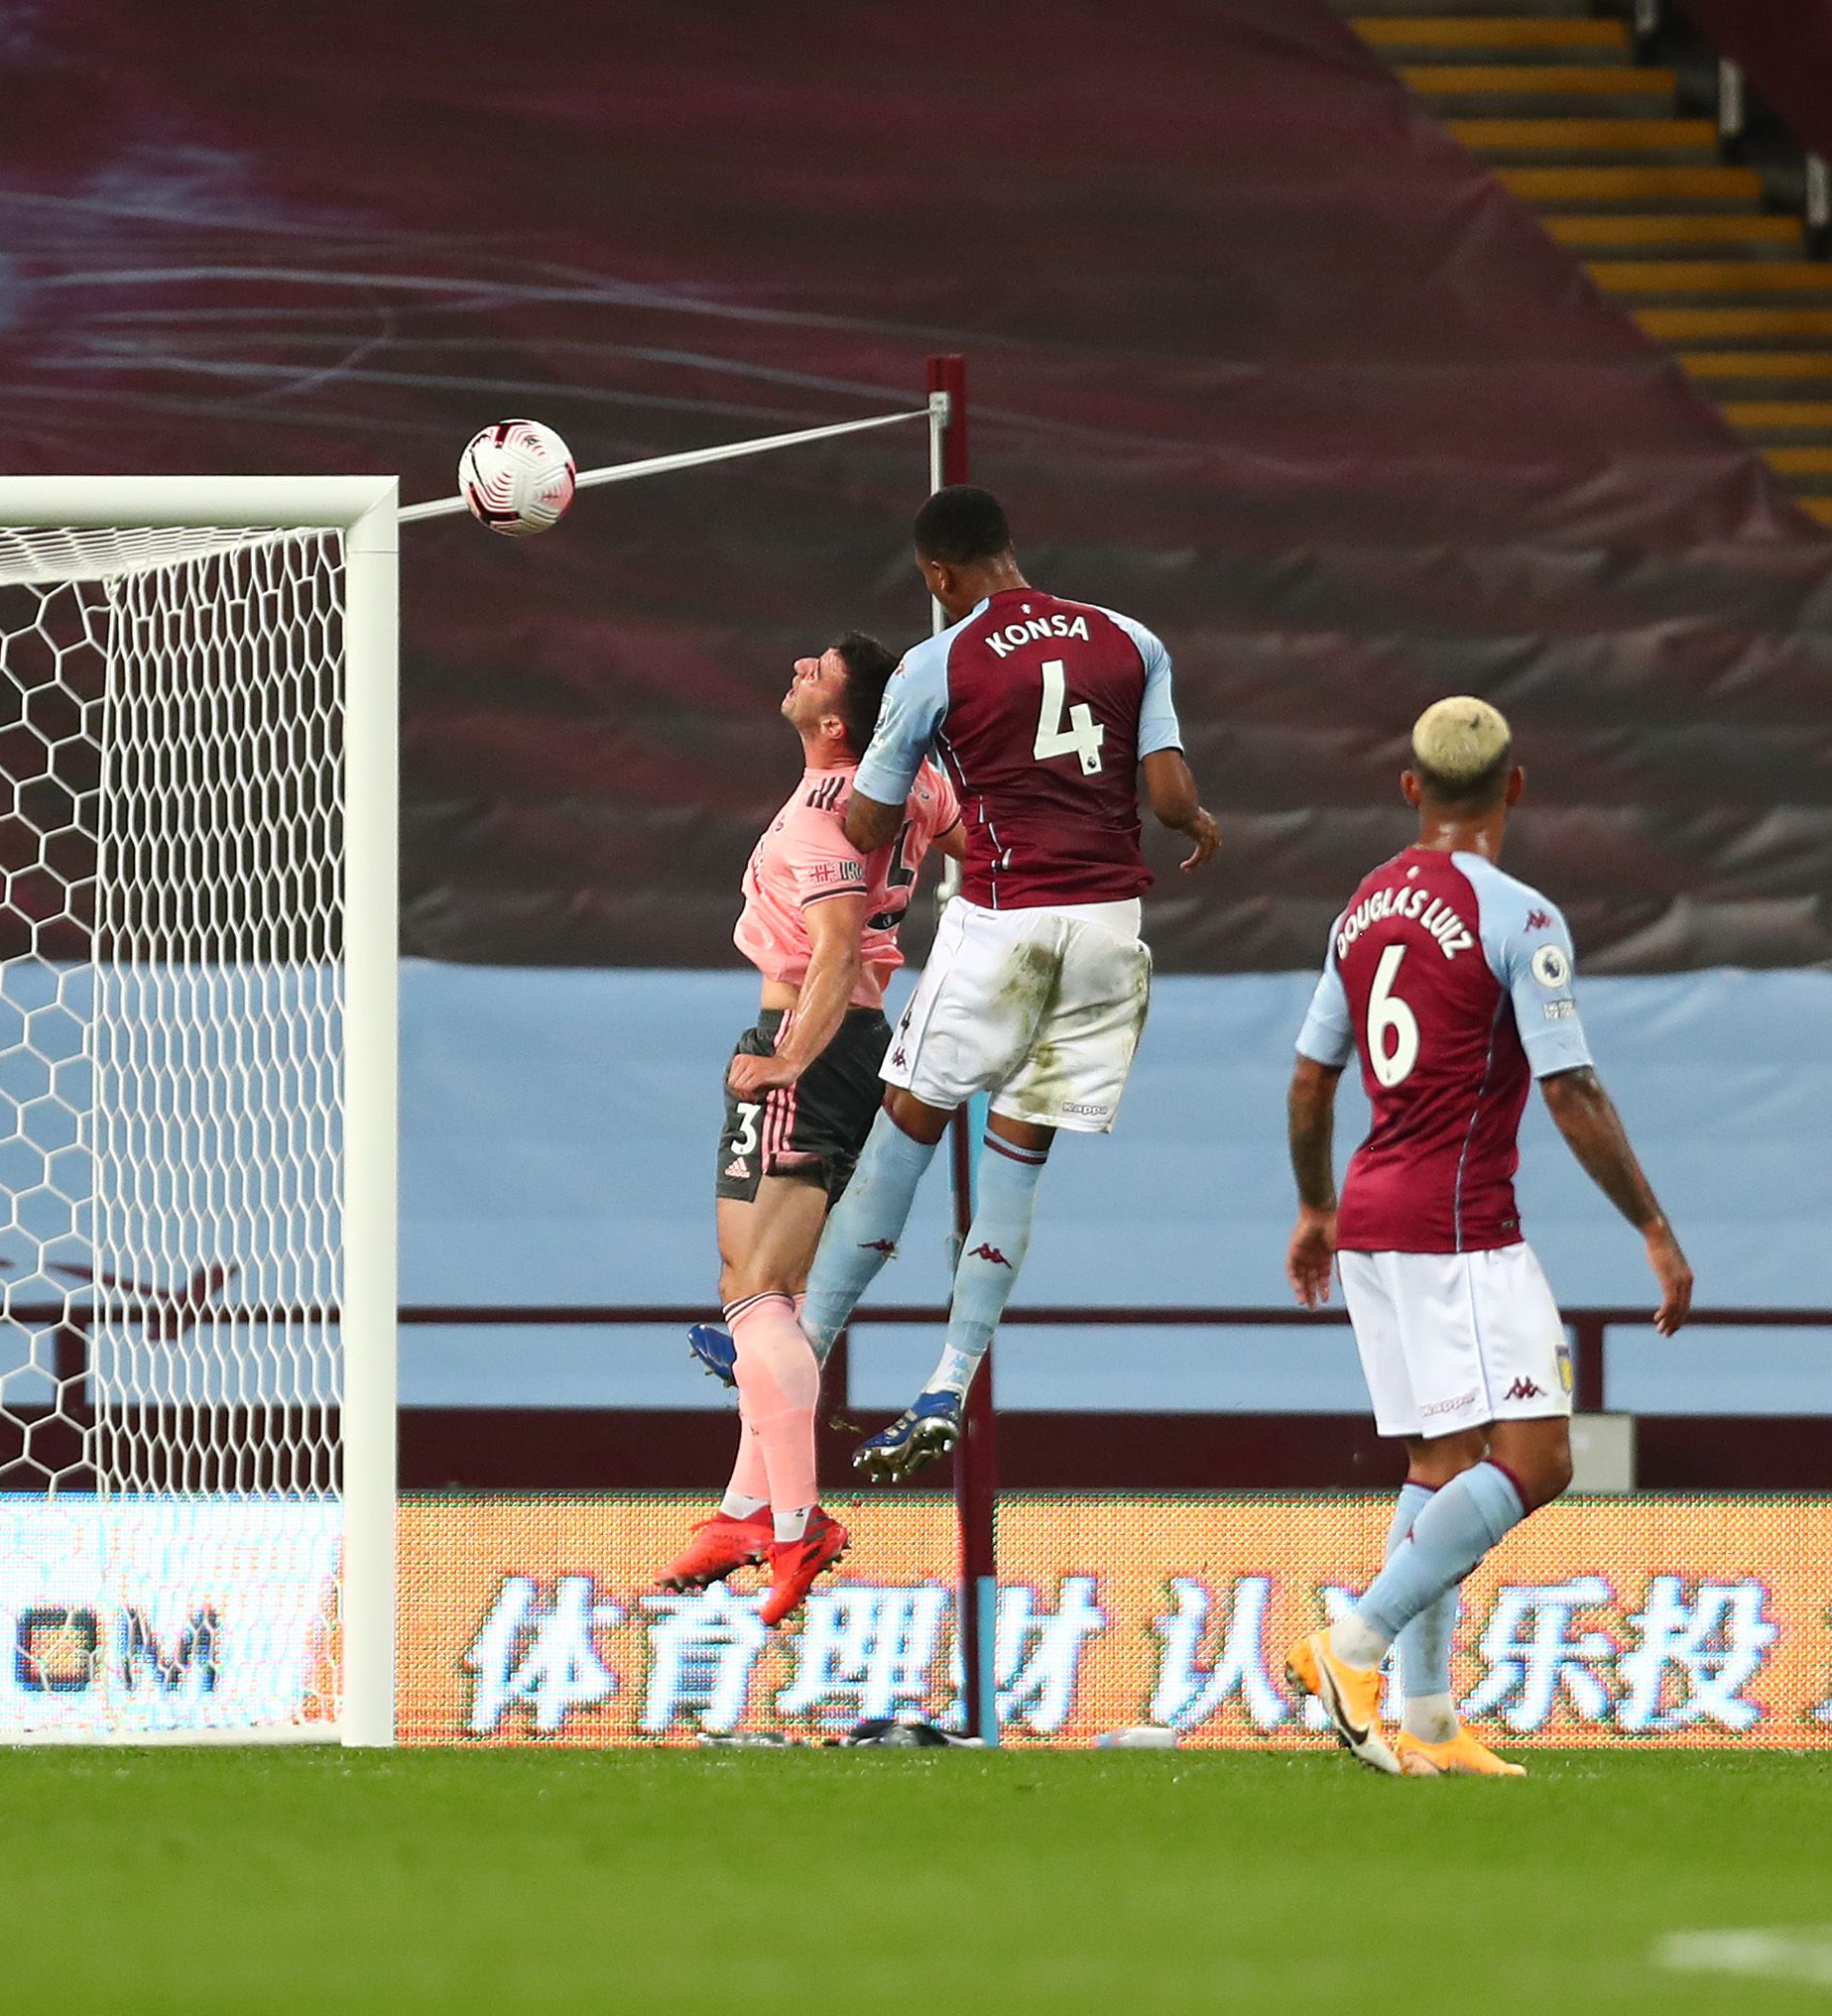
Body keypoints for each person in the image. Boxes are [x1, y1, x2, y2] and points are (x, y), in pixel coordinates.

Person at [1281, 698, 1689, 1776]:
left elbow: (1313, 1076)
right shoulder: (1521, 916)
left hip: (1370, 1216)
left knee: (1440, 1459)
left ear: (1410, 789)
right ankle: (1352, 1640)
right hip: (1460, 1226)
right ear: (1514, 787)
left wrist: (1316, 1206)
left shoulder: (1360, 908)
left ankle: (1421, 1718)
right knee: (1539, 1458)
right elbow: (1572, 1088)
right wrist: (1651, 1224)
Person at [796, 485, 1224, 1481]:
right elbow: (1166, 796)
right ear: (1011, 548)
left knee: (907, 1120)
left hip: (1006, 919)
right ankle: (949, 1376)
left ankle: (802, 1346)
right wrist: (1200, 825)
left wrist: (877, 776)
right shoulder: (1129, 637)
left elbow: (865, 826)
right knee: (1018, 1158)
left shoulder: (936, 663)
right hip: (1111, 930)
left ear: (938, 576)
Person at [657, 636, 957, 1626]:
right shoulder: (915, 786)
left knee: (755, 1291)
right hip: (862, 1044)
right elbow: (969, 838)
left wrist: (786, 1055)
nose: (795, 664)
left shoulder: (817, 821)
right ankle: (745, 1509)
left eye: (817, 669)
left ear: (836, 724)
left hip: (810, 1038)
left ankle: (794, 1522)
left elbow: (833, 945)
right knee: (762, 1293)